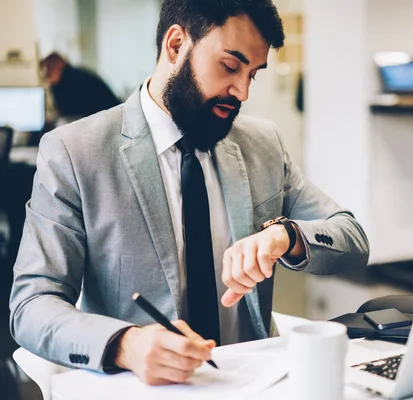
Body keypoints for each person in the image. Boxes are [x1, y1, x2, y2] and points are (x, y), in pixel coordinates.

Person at [10, 0, 369, 386]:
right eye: (230, 66)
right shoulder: (76, 151)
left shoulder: (262, 143)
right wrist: (125, 345)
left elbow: (352, 237)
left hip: (253, 383)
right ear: (177, 44)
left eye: (254, 74)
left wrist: (287, 235)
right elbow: (32, 306)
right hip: (145, 387)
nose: (243, 92)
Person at [40, 52, 120, 120]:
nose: (46, 74)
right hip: (110, 115)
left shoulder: (72, 79)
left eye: (48, 69)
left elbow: (67, 112)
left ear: (57, 66)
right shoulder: (75, 74)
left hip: (108, 118)